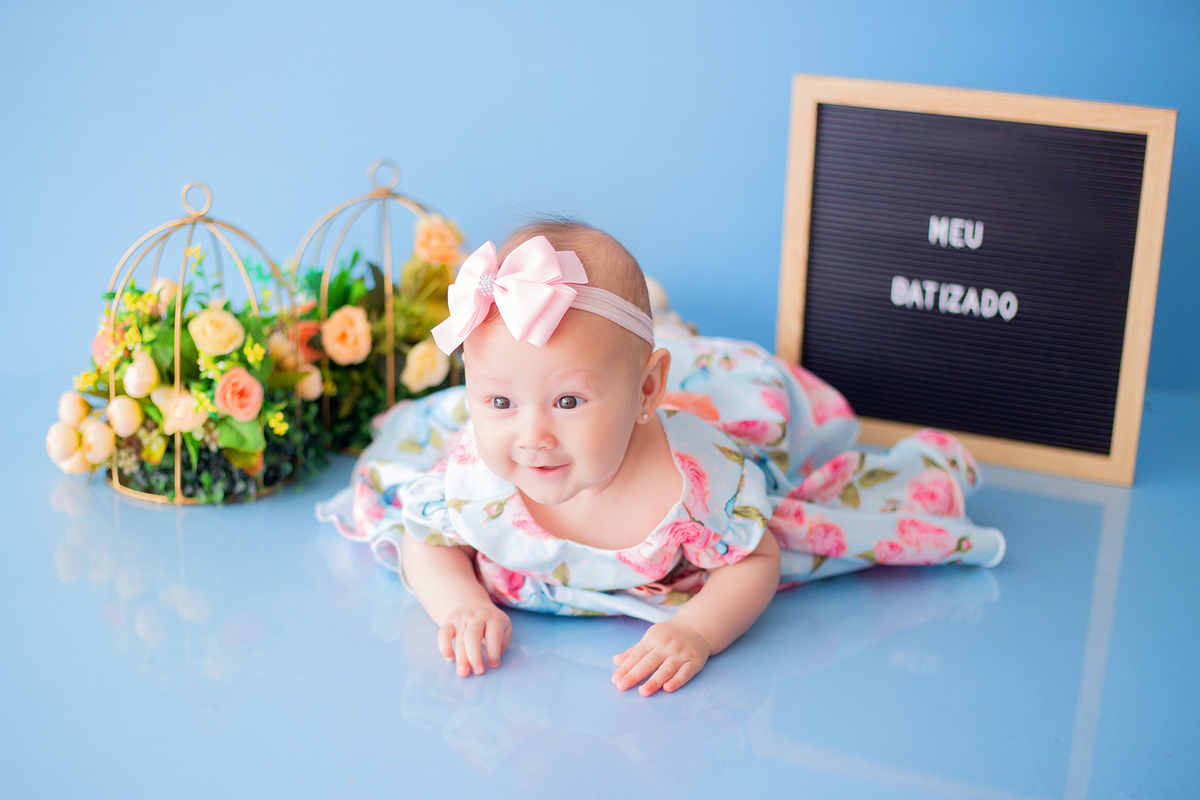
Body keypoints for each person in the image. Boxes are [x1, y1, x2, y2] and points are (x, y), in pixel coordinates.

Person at [317, 219, 1005, 696]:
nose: (531, 438)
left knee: (730, 388)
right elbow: (426, 535)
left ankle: (663, 326)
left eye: (566, 404)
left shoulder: (696, 487)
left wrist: (698, 630)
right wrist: (460, 603)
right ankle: (642, 330)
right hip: (639, 389)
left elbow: (755, 556)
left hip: (692, 406)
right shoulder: (481, 470)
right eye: (498, 403)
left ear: (647, 391)